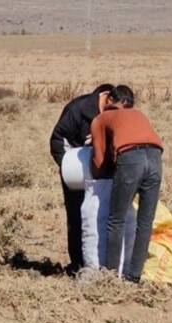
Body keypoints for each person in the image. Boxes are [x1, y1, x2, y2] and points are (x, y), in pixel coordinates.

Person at [91, 85, 163, 283]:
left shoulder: (101, 118)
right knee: (145, 221)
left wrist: (98, 172)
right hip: (156, 158)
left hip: (131, 159)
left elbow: (98, 161)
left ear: (109, 101)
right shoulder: (139, 114)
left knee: (116, 219)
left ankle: (111, 276)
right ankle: (134, 276)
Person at [50, 83, 114, 275]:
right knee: (77, 217)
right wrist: (68, 165)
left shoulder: (116, 111)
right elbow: (57, 139)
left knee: (106, 215)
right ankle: (78, 265)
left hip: (104, 172)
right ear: (107, 98)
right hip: (75, 172)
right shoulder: (78, 108)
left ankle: (105, 262)